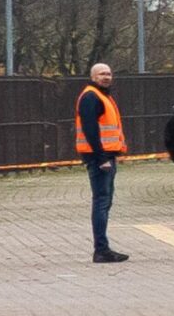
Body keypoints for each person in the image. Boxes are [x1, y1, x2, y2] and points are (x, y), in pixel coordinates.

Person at [75, 62, 128, 264]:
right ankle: (101, 249)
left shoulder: (102, 96)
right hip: (99, 157)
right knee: (101, 201)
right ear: (93, 77)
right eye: (101, 74)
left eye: (108, 73)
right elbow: (90, 129)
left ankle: (103, 248)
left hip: (104, 155)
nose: (106, 77)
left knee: (104, 201)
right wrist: (101, 157)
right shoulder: (91, 96)